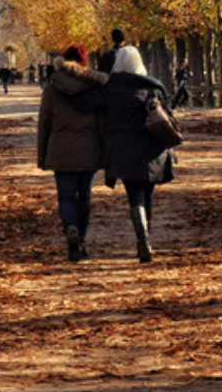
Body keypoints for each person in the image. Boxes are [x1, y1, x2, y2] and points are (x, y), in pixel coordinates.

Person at [67, 45, 174, 263]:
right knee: (148, 194)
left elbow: (84, 104)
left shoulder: (112, 88)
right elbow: (168, 115)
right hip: (152, 148)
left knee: (135, 196)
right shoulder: (153, 86)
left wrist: (68, 84)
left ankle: (142, 239)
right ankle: (145, 239)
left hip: (125, 149)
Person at [37, 45, 108, 262]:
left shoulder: (52, 87)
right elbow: (103, 122)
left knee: (66, 196)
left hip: (61, 148)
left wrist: (42, 155)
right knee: (84, 197)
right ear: (85, 63)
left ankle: (70, 229)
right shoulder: (95, 86)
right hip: (89, 148)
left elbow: (44, 123)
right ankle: (82, 239)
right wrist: (106, 152)